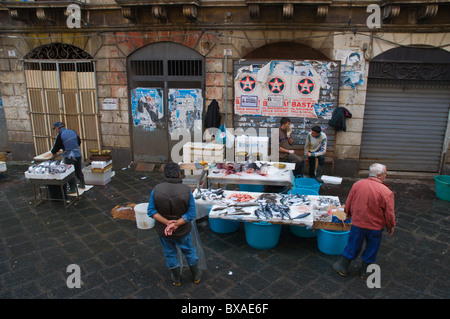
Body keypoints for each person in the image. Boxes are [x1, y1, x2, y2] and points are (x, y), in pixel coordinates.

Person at [333, 163, 396, 279]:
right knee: (372, 247)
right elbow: (389, 213)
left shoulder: (358, 185)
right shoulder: (386, 192)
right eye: (385, 173)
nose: (386, 175)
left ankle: (343, 267)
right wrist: (390, 225)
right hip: (375, 227)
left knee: (353, 244)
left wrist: (347, 214)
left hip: (358, 224)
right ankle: (365, 271)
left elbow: (349, 201)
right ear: (380, 175)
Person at [147, 162, 202, 286]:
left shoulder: (156, 189)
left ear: (165, 174)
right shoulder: (186, 190)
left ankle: (176, 279)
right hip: (182, 231)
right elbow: (191, 214)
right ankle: (196, 276)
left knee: (169, 252)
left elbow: (151, 211)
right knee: (188, 250)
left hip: (164, 230)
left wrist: (167, 223)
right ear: (178, 174)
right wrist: (177, 223)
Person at [51, 121, 85, 194]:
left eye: (55, 129)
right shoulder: (72, 131)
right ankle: (82, 184)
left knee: (70, 173)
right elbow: (79, 141)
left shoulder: (60, 134)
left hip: (69, 156)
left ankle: (72, 189)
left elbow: (57, 146)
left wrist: (53, 152)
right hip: (77, 154)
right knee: (78, 170)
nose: (56, 130)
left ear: (57, 128)